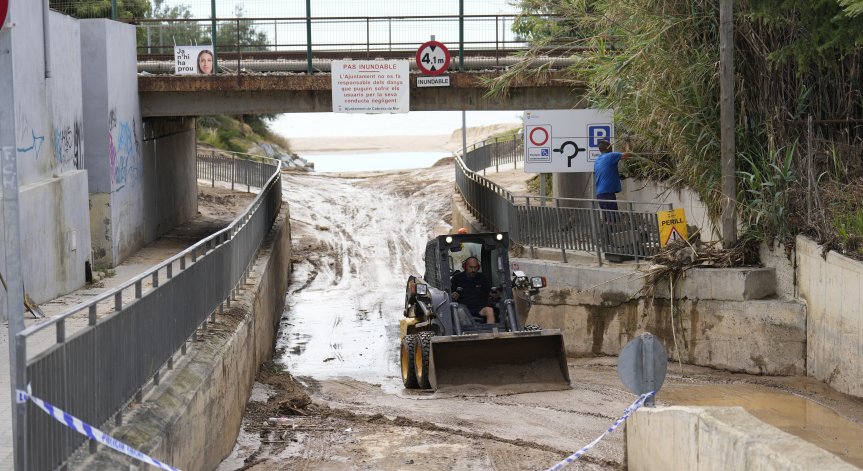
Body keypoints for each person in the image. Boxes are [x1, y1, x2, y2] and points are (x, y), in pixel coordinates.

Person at [450, 256, 496, 324]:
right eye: (471, 267)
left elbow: (490, 291)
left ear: (478, 267)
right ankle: (464, 333)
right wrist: (453, 295)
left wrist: (494, 294)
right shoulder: (456, 278)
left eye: (475, 267)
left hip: (479, 309)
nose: (473, 270)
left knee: (490, 310)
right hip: (463, 309)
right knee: (459, 311)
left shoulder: (482, 278)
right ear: (464, 267)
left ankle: (491, 332)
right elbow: (449, 293)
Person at [593, 139, 632, 211]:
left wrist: (617, 176)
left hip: (600, 194)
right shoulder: (610, 156)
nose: (611, 147)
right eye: (610, 145)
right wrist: (627, 142)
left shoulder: (597, 160)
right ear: (608, 147)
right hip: (607, 194)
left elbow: (604, 172)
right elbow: (628, 154)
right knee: (613, 219)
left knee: (608, 219)